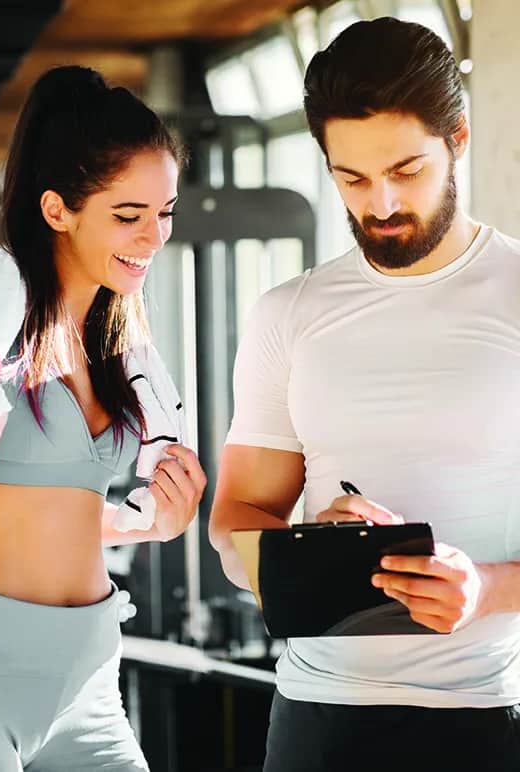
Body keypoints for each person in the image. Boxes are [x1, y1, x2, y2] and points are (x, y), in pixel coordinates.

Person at [207, 18, 520, 772]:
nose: (379, 203)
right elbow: (232, 526)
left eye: (406, 170)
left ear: (460, 139)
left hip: (487, 720)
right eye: (350, 178)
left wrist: (484, 588)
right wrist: (310, 542)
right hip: (319, 723)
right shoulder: (288, 313)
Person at [0, 65, 207, 772]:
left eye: (165, 212)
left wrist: (156, 522)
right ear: (57, 209)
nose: (154, 238)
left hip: (89, 692)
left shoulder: (121, 339)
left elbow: (64, 508)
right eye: (128, 215)